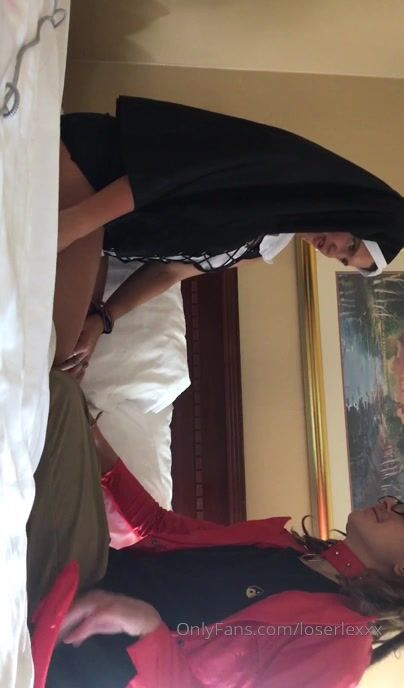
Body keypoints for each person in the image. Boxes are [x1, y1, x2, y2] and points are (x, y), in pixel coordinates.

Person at [29, 371, 404, 687]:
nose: (389, 502)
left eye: (402, 512)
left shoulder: (344, 644)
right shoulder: (279, 544)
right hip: (93, 569)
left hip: (91, 651)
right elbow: (158, 524)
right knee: (64, 396)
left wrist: (147, 627)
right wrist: (95, 443)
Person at [54, 97, 404, 378]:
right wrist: (73, 225)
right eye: (352, 244)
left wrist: (104, 318)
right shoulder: (276, 169)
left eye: (343, 259)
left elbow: (169, 271)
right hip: (92, 169)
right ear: (356, 210)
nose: (333, 252)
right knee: (59, 348)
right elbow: (160, 174)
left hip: (99, 231)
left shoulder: (263, 246)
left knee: (71, 361)